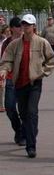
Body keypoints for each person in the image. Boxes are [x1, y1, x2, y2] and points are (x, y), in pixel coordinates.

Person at [0, 14, 54, 159]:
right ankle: (31, 129)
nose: (25, 27)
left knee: (31, 112)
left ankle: (31, 146)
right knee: (24, 114)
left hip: (34, 83)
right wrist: (4, 70)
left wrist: (43, 72)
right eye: (23, 24)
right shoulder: (14, 44)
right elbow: (7, 60)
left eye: (28, 25)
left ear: (34, 26)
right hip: (19, 83)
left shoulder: (41, 42)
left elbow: (51, 58)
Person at [1, 17, 25, 145]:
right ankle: (18, 129)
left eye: (22, 25)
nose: (21, 28)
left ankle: (26, 133)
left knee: (25, 109)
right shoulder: (6, 43)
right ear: (11, 28)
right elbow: (3, 60)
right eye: (17, 26)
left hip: (25, 79)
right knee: (10, 107)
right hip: (10, 79)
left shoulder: (27, 40)